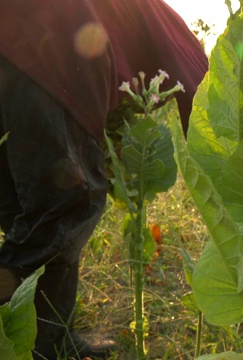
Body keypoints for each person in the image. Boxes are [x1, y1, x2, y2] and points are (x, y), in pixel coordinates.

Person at [0, 0, 208, 358]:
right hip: (51, 43)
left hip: (18, 40)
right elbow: (206, 113)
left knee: (21, 203)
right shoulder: (188, 52)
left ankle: (49, 340)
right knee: (66, 204)